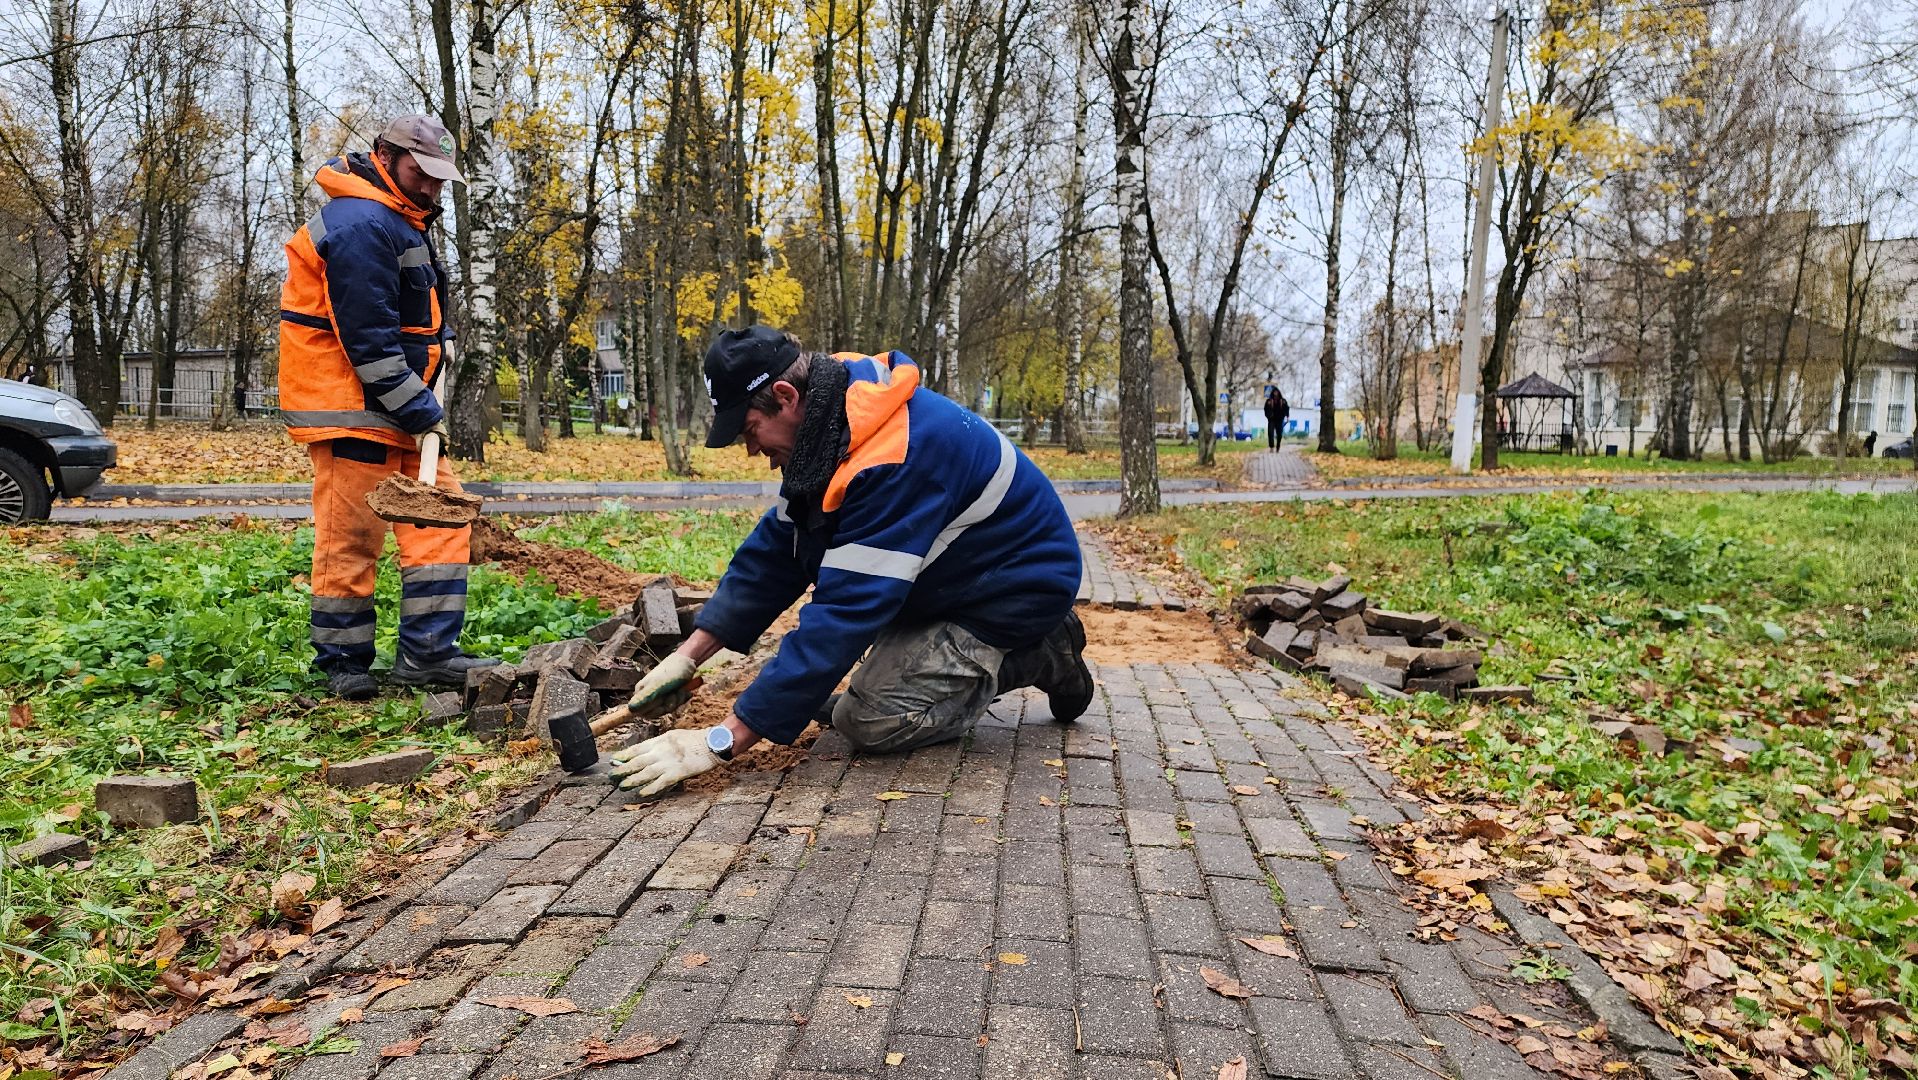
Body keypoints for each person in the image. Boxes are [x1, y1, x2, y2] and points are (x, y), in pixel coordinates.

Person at [607, 325, 1092, 796]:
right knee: (842, 690)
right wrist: (686, 657)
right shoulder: (830, 419)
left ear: (785, 396)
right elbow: (776, 553)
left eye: (750, 429)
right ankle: (922, 678)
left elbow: (845, 612)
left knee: (869, 721)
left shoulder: (893, 456)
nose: (752, 448)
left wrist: (721, 741)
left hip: (1012, 589)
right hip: (951, 574)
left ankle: (1044, 652)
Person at [278, 115, 499, 700]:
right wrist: (423, 409)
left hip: (399, 407)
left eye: (437, 179)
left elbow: (409, 316)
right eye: (419, 173)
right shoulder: (362, 224)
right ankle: (343, 665)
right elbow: (367, 341)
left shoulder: (396, 218)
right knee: (351, 538)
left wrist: (436, 355)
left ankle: (429, 655)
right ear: (386, 156)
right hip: (354, 409)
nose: (429, 187)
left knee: (444, 527)